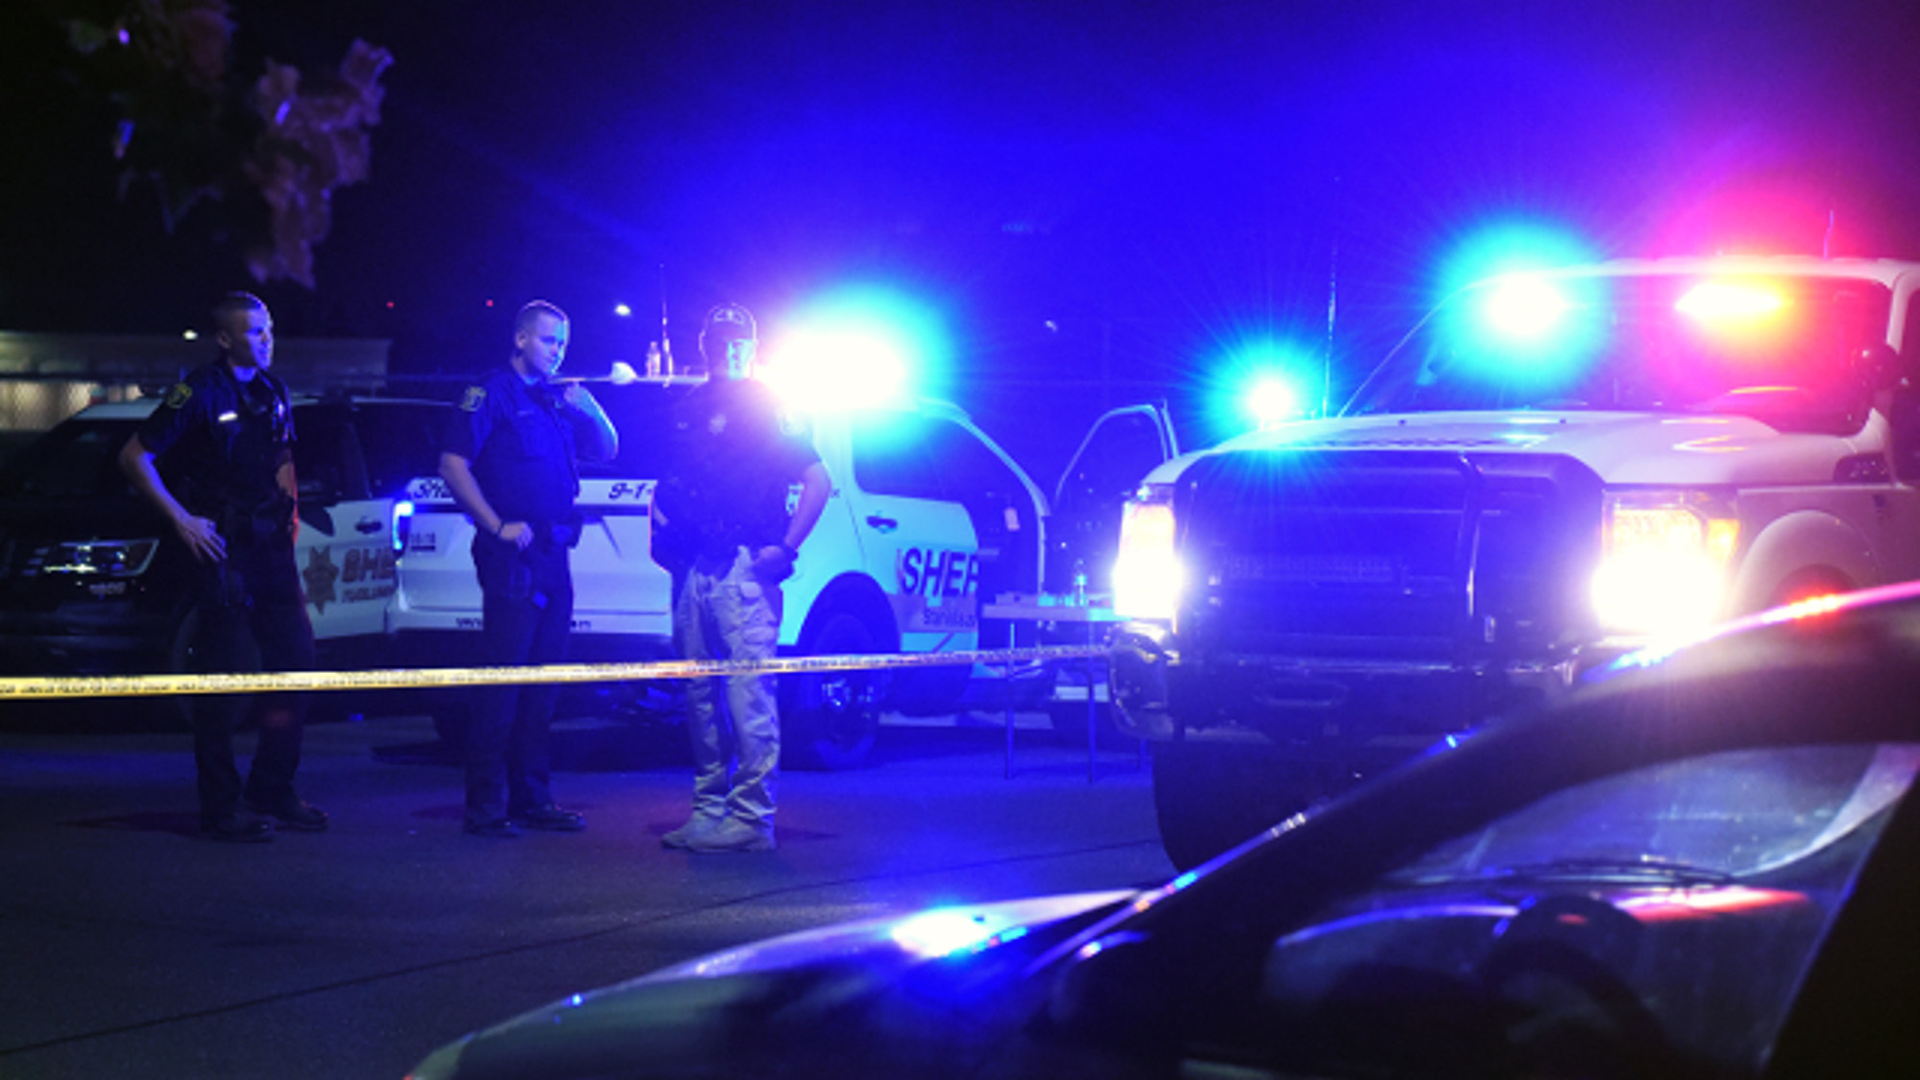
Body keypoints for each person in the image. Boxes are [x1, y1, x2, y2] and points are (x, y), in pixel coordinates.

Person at [119, 291, 326, 842]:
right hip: (223, 550)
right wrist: (182, 520)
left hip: (271, 549)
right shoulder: (199, 391)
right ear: (225, 338)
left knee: (296, 666)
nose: (267, 340)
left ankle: (272, 787)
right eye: (255, 332)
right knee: (224, 681)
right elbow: (134, 456)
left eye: (269, 329)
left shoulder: (274, 390)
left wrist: (290, 521)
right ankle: (220, 807)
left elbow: (283, 460)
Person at [655, 303, 830, 853]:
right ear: (705, 344)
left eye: (739, 342)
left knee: (748, 695)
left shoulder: (772, 405)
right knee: (699, 695)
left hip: (743, 562)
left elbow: (818, 481)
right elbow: (666, 484)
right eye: (720, 340)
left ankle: (752, 818)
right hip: (694, 565)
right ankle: (709, 811)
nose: (728, 350)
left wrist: (786, 548)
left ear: (752, 349)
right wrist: (661, 538)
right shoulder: (686, 407)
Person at [440, 300, 618, 838]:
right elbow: (452, 464)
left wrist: (591, 408)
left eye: (562, 342)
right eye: (547, 340)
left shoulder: (555, 399)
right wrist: (495, 525)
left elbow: (608, 450)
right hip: (512, 556)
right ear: (521, 339)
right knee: (504, 685)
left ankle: (533, 797)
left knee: (543, 686)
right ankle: (485, 808)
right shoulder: (491, 393)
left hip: (553, 554)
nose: (557, 351)